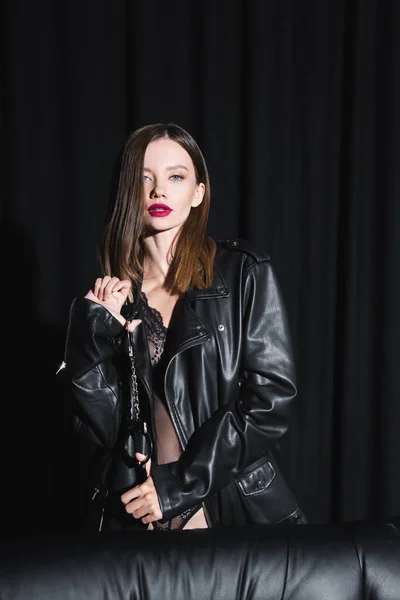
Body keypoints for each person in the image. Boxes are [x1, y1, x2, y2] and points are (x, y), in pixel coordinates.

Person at [61, 122, 307, 532]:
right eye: (145, 178)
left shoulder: (242, 271)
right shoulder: (115, 294)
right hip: (134, 510)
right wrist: (93, 329)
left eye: (176, 176)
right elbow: (101, 429)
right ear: (128, 190)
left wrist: (178, 486)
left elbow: (270, 401)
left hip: (224, 503)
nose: (159, 191)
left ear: (198, 193)